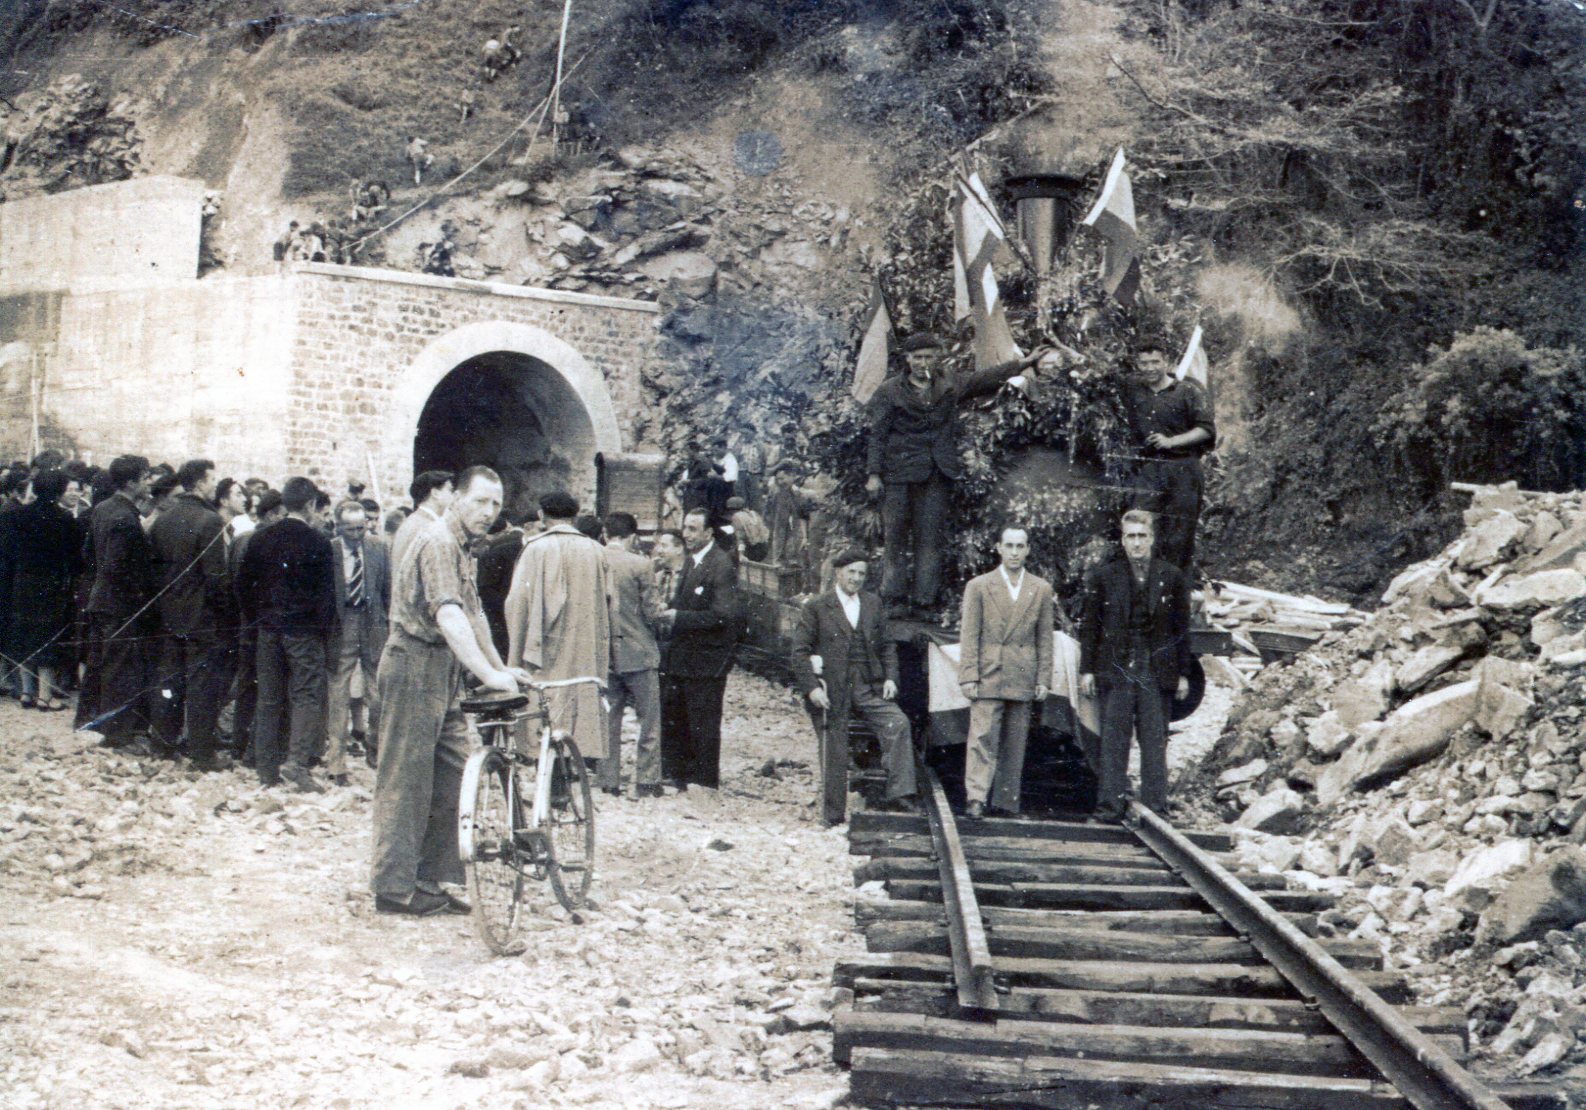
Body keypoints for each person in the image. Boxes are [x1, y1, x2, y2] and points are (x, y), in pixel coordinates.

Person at [371, 466, 529, 917]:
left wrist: (502, 670)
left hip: (441, 668)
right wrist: (484, 671)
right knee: (406, 779)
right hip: (414, 661)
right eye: (480, 501)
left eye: (496, 504)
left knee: (455, 773)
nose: (489, 512)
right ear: (455, 498)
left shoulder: (464, 547)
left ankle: (430, 877)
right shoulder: (439, 542)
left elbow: (474, 614)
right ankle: (394, 889)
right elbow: (449, 617)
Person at [866, 334, 1050, 619]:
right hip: (898, 475)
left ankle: (924, 603)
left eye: (928, 357)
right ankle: (893, 602)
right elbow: (877, 435)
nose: (923, 363)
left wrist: (1023, 362)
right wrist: (874, 474)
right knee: (896, 539)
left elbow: (983, 379)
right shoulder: (889, 391)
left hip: (937, 473)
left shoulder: (949, 383)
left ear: (936, 358)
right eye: (917, 357)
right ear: (907, 359)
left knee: (930, 540)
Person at [1079, 510, 1192, 822]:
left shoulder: (1171, 577)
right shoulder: (1105, 577)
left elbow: (1182, 629)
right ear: (1123, 540)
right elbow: (1090, 627)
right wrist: (1086, 669)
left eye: (1142, 536)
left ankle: (1157, 808)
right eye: (1131, 536)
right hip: (1116, 670)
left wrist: (1183, 673)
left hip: (1155, 671)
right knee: (1114, 741)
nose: (1137, 543)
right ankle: (1108, 808)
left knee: (1154, 741)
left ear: (1152, 539)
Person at [792, 549, 917, 825]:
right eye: (852, 572)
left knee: (898, 724)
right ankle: (833, 813)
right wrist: (812, 688)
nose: (857, 578)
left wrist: (890, 678)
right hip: (831, 689)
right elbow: (799, 652)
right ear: (839, 573)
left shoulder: (873, 604)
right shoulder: (817, 607)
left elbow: (886, 645)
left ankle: (900, 793)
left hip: (866, 685)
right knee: (834, 745)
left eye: (861, 573)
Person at [237, 477, 336, 792]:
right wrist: (321, 632)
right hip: (304, 632)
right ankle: (296, 763)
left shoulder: (261, 538)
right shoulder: (319, 542)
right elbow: (326, 597)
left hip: (268, 629)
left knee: (268, 697)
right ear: (309, 505)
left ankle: (266, 770)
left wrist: (259, 618)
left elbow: (243, 586)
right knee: (306, 696)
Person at [505, 492, 610, 765]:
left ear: (541, 516)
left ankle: (547, 769)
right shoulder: (596, 550)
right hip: (585, 645)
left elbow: (517, 603)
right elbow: (610, 602)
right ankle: (573, 764)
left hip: (545, 647)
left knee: (547, 704)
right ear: (574, 516)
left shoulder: (536, 548)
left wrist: (516, 647)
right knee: (579, 698)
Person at [958, 526, 1055, 819]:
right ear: (998, 548)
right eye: (1009, 545)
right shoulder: (979, 586)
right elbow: (969, 634)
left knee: (1015, 742)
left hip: (1022, 675)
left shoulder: (1040, 588)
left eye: (1020, 546)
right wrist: (969, 675)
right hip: (989, 673)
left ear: (1027, 550)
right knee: (982, 738)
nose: (1014, 552)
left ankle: (1006, 802)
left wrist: (1043, 679)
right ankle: (976, 798)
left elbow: (1045, 639)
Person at [149, 459, 235, 771]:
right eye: (212, 479)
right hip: (200, 617)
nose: (215, 485)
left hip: (168, 614)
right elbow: (215, 577)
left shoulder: (164, 517)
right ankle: (201, 751)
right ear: (200, 483)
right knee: (202, 685)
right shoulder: (209, 520)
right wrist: (223, 613)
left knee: (169, 679)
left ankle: (164, 742)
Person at [80, 455, 157, 752]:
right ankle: (117, 736)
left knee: (102, 663)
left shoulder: (102, 508)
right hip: (120, 604)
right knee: (121, 669)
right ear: (131, 482)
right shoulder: (126, 518)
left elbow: (90, 555)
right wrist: (140, 595)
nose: (149, 482)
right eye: (146, 476)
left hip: (100, 599)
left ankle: (95, 725)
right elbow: (119, 567)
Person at [658, 508, 738, 790]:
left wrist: (678, 617)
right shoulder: (693, 561)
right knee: (679, 715)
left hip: (707, 659)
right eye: (685, 528)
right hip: (685, 656)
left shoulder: (721, 565)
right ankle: (680, 775)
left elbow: (723, 615)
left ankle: (704, 782)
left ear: (708, 533)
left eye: (693, 529)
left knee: (703, 720)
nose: (687, 534)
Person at [1125, 345, 1216, 576]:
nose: (1150, 368)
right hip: (1149, 471)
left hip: (1183, 469)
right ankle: (1143, 591)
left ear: (1166, 362)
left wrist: (1171, 441)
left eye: (1155, 362)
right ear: (1137, 365)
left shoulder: (1188, 391)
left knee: (1180, 535)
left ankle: (1175, 596)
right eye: (1144, 363)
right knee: (1140, 527)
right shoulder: (1134, 388)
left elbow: (1206, 430)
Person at [0, 469, 82, 712]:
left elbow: (6, 554)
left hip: (22, 583)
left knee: (24, 633)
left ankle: (26, 691)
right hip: (52, 585)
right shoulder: (65, 519)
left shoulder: (16, 516)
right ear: (59, 491)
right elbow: (75, 558)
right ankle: (45, 696)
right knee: (48, 637)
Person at [600, 512, 664, 798]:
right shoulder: (642, 564)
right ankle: (647, 781)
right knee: (648, 721)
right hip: (638, 653)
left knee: (608, 721)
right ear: (632, 536)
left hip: (604, 654)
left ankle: (608, 780)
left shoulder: (594, 560)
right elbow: (652, 612)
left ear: (605, 533)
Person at [327, 500, 390, 786]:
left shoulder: (378, 547)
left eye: (361, 528)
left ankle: (374, 747)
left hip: (373, 624)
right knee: (338, 692)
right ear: (338, 527)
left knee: (378, 691)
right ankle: (336, 763)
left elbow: (387, 590)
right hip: (342, 625)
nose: (356, 535)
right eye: (350, 530)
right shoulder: (329, 551)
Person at [230, 489, 285, 765]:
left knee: (246, 685)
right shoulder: (270, 542)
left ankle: (238, 743)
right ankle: (256, 749)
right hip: (262, 623)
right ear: (273, 514)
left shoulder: (241, 539)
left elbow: (235, 583)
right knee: (266, 687)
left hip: (245, 621)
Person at [390, 470, 454, 572]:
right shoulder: (427, 526)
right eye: (450, 490)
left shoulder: (415, 522)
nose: (453, 496)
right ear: (435, 493)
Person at [765, 462, 808, 569]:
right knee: (780, 532)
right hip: (778, 512)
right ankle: (778, 560)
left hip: (787, 509)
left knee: (791, 532)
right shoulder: (778, 486)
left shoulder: (789, 487)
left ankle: (789, 558)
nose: (781, 481)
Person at [727, 496, 769, 562]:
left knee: (729, 555)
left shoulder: (737, 517)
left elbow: (740, 538)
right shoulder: (753, 513)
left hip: (751, 552)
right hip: (764, 550)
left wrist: (741, 555)